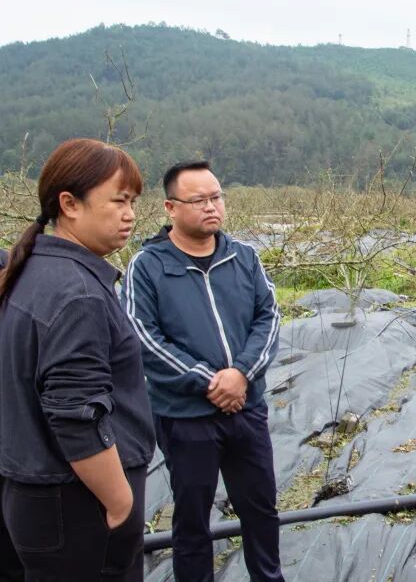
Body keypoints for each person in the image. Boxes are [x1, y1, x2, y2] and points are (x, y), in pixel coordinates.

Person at [0, 138, 155, 581]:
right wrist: (119, 500)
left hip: (32, 494)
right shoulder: (77, 294)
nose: (130, 214)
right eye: (118, 200)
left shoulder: (29, 272)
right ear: (69, 204)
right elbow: (75, 413)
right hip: (78, 505)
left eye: (133, 202)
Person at [121, 160, 283, 582]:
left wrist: (241, 374)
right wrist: (208, 381)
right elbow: (144, 336)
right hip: (186, 416)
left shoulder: (243, 256)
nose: (211, 207)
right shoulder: (148, 265)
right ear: (171, 208)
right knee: (192, 517)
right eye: (199, 200)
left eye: (216, 197)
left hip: (246, 408)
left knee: (261, 509)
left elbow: (268, 317)